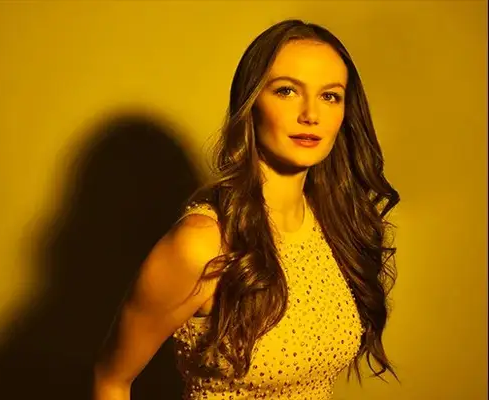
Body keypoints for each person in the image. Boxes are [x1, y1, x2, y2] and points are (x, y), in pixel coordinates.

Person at [92, 18, 400, 400]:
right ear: (251, 102)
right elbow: (111, 378)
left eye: (330, 96)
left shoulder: (337, 226)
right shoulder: (201, 245)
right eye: (287, 91)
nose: (311, 114)